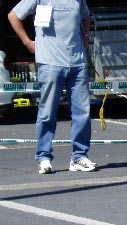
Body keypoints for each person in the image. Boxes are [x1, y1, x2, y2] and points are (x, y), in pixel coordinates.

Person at [8, 0, 97, 174]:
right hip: (50, 63)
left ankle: (79, 157)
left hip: (77, 63)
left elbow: (85, 16)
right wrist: (27, 42)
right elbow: (13, 15)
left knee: (82, 113)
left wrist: (86, 36)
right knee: (47, 112)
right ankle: (43, 158)